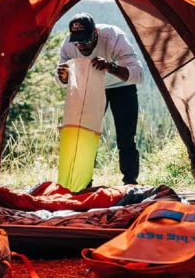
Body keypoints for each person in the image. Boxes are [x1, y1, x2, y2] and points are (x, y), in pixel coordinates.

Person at [56, 13, 144, 185]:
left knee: (126, 137)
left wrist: (111, 67)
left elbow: (138, 75)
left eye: (86, 41)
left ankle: (130, 183)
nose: (81, 46)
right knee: (85, 136)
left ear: (95, 33)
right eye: (77, 42)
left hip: (121, 86)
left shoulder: (114, 36)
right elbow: (61, 80)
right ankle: (83, 183)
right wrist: (64, 76)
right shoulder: (68, 44)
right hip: (91, 88)